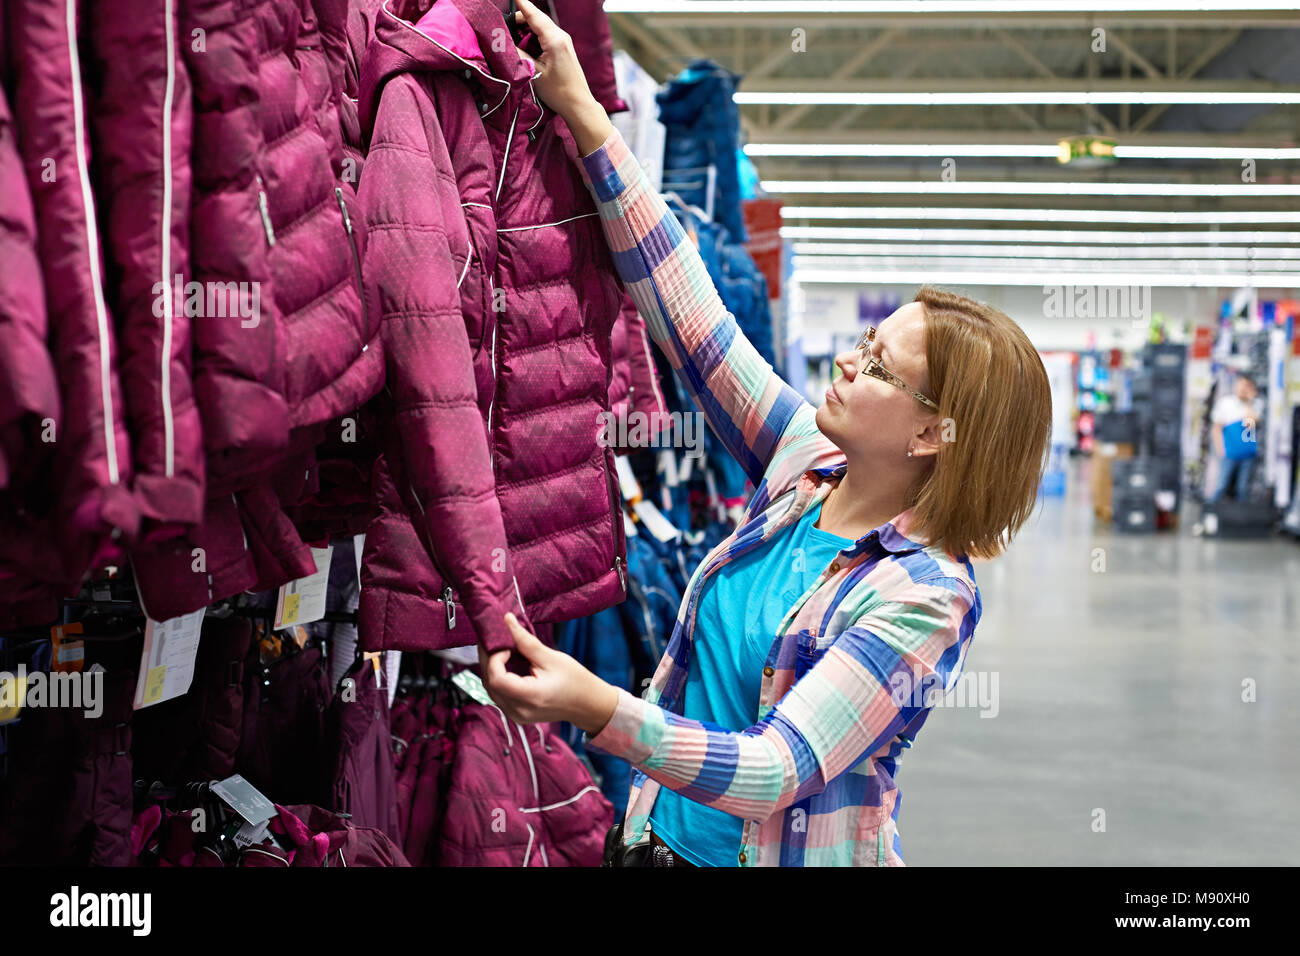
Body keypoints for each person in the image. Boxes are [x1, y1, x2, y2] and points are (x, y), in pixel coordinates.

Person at [477, 0, 1053, 867]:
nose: (851, 366)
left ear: (936, 433)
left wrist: (597, 708)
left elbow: (773, 770)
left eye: (882, 368)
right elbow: (689, 315)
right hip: (652, 841)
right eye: (864, 343)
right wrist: (586, 117)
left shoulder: (924, 599)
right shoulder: (805, 468)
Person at [1209, 373, 1263, 504]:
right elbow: (1216, 429)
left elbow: (1251, 423)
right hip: (1229, 452)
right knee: (1221, 485)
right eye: (1240, 385)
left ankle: (1241, 519)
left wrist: (1249, 402)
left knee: (1243, 489)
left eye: (1246, 386)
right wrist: (1220, 450)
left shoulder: (1256, 404)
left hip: (1248, 454)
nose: (1242, 389)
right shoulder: (1225, 403)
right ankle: (1210, 513)